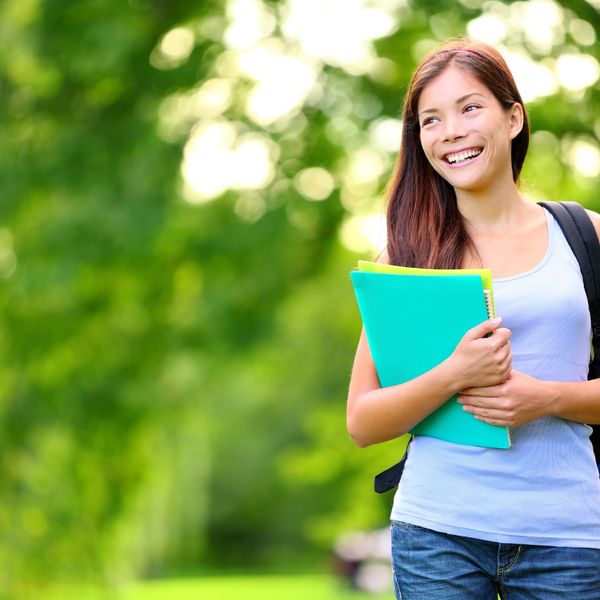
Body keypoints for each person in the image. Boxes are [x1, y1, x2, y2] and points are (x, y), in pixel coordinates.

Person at [346, 37, 600, 599]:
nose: (451, 131)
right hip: (437, 534)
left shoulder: (586, 236)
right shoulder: (408, 259)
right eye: (430, 120)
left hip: (568, 536)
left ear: (513, 118)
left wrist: (549, 398)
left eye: (469, 108)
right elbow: (364, 421)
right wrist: (455, 374)